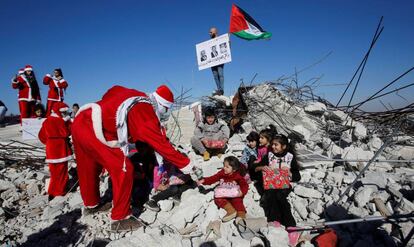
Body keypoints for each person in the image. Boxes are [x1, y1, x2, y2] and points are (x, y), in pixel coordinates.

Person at [71, 84, 194, 231]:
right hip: (94, 128)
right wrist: (186, 164)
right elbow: (158, 141)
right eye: (166, 109)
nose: (165, 112)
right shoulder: (144, 108)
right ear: (162, 104)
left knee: (88, 166)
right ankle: (120, 218)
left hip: (80, 120)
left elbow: (113, 90)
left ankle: (92, 205)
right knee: (123, 169)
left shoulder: (135, 95)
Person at [251, 134, 301, 245]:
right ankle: (275, 220)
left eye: (276, 145)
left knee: (280, 196)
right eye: (272, 144)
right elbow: (255, 168)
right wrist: (262, 167)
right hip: (270, 183)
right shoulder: (269, 155)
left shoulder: (290, 157)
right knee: (270, 194)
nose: (273, 147)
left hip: (284, 184)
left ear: (283, 146)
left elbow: (298, 176)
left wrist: (290, 173)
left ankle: (291, 226)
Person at [38, 102, 73, 201]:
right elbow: (67, 132)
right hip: (61, 150)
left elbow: (41, 136)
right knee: (62, 173)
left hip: (51, 151)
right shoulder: (60, 121)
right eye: (64, 112)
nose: (65, 113)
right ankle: (59, 192)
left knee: (54, 173)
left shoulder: (46, 121)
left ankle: (52, 192)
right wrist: (68, 121)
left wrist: (49, 143)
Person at [197, 156, 248, 222]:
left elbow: (244, 185)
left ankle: (241, 214)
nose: (224, 168)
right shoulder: (222, 173)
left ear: (234, 169)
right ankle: (231, 211)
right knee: (217, 199)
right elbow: (213, 178)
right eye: (224, 165)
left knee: (237, 200)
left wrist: (242, 192)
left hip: (233, 193)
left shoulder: (237, 176)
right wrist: (204, 180)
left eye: (227, 167)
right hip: (224, 192)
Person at [248, 125, 277, 196]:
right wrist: (257, 161)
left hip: (268, 166)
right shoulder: (260, 148)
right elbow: (259, 157)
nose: (260, 139)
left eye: (262, 138)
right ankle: (253, 177)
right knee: (251, 159)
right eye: (260, 138)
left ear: (268, 139)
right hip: (261, 164)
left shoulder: (271, 149)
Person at [209, 27, 224, 96]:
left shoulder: (221, 39)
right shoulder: (209, 43)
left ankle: (221, 89)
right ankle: (219, 89)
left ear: (215, 32)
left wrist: (228, 42)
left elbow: (225, 48)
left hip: (220, 60)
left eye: (210, 32)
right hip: (212, 62)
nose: (209, 34)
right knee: (215, 75)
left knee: (220, 74)